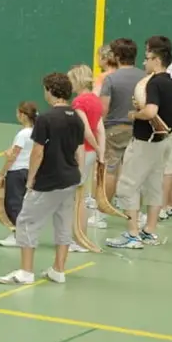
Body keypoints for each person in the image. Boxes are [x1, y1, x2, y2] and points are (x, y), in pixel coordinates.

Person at [0, 72, 83, 285]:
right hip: (70, 179)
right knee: (63, 224)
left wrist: (30, 180)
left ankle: (26, 272)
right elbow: (79, 150)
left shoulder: (46, 118)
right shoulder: (76, 117)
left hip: (48, 180)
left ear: (51, 91)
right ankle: (58, 270)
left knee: (26, 221)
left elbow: (38, 152)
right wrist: (78, 175)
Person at [106, 37, 172, 248]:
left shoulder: (153, 83)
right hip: (162, 142)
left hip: (145, 142)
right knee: (154, 187)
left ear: (157, 60)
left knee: (127, 187)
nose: (144, 62)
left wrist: (135, 114)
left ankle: (132, 234)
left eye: (147, 59)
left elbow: (151, 112)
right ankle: (149, 231)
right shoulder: (171, 82)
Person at [94, 38, 146, 228]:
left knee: (109, 171)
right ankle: (136, 215)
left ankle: (101, 215)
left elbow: (103, 109)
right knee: (135, 173)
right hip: (138, 128)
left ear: (116, 56)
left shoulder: (111, 79)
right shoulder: (144, 77)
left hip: (114, 129)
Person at [148, 36, 172, 219]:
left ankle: (161, 208)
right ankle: (171, 205)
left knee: (165, 167)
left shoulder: (170, 72)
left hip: (166, 125)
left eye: (148, 52)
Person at [67, 64, 105, 252]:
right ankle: (80, 237)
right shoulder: (96, 101)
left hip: (81, 152)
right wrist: (101, 152)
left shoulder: (79, 102)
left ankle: (78, 238)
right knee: (80, 196)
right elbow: (100, 129)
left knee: (77, 198)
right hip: (91, 153)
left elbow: (86, 130)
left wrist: (96, 148)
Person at [0, 101, 38, 248]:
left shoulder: (22, 134)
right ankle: (24, 233)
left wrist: (3, 172)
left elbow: (13, 156)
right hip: (28, 170)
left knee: (13, 204)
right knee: (22, 204)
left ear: (23, 115)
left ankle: (18, 235)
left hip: (16, 172)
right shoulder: (36, 132)